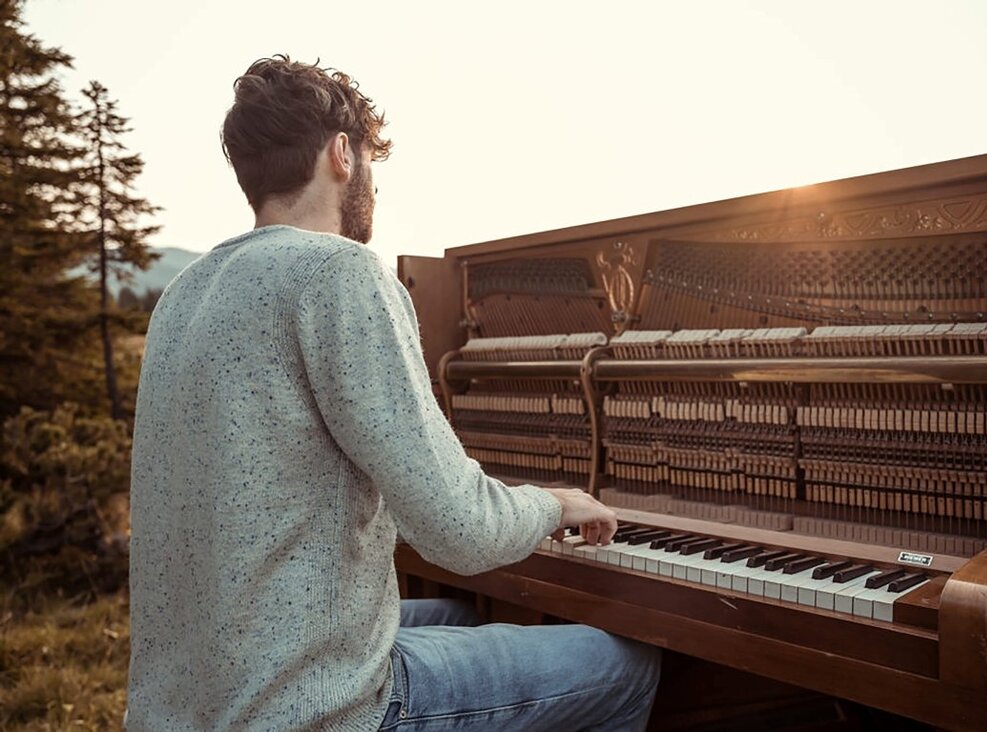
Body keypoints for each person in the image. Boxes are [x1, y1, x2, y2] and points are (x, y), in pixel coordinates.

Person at [125, 55, 661, 731]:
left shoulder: (183, 294)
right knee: (622, 666)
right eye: (370, 159)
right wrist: (550, 504)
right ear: (342, 154)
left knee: (462, 613)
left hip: (191, 705)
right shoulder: (338, 272)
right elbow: (460, 531)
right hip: (311, 714)